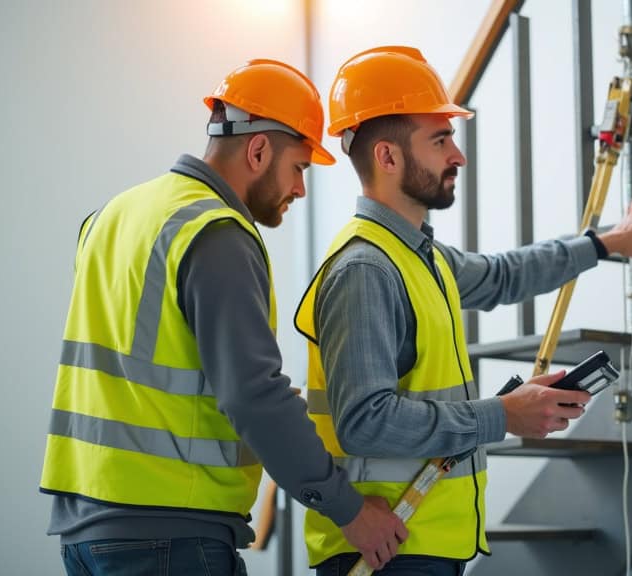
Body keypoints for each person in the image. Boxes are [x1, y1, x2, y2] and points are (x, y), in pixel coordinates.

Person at [295, 46, 632, 576]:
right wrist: (504, 414)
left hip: (422, 545)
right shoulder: (366, 269)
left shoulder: (418, 257)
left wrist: (604, 244)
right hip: (385, 552)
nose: (458, 155)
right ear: (388, 157)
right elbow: (365, 422)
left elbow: (502, 276)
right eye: (440, 140)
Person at [39, 59, 407, 576]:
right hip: (170, 534)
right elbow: (254, 395)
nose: (300, 189)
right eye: (299, 168)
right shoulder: (216, 232)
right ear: (258, 151)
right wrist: (349, 510)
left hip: (86, 532)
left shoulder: (113, 215)